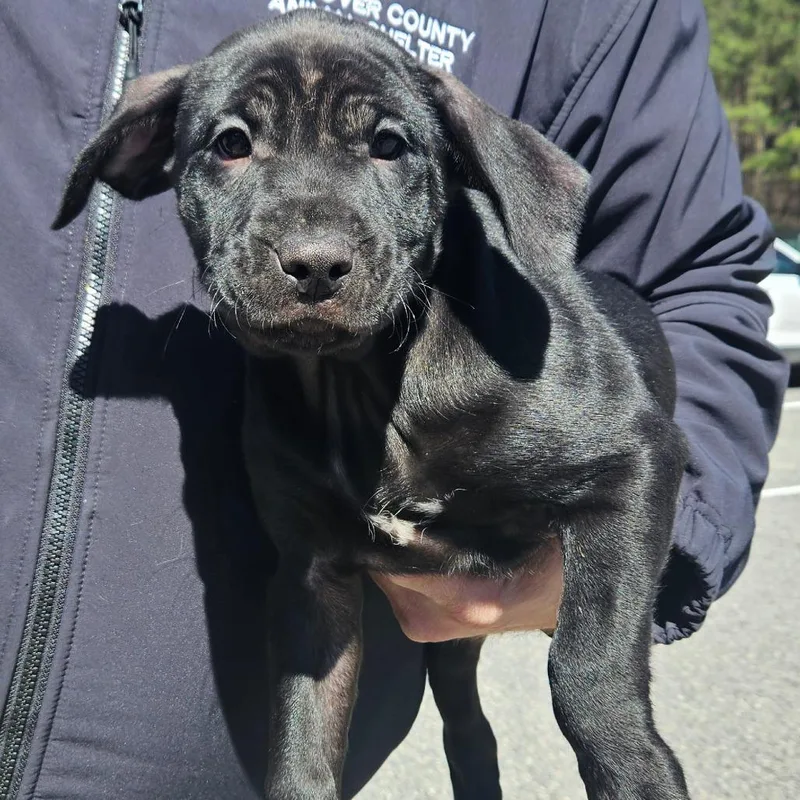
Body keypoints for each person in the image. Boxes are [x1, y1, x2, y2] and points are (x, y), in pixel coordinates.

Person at [0, 0, 788, 797]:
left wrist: (601, 691)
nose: (312, 247)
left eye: (385, 145)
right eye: (235, 145)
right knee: (401, 649)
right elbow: (312, 600)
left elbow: (692, 301)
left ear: (462, 161)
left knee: (486, 673)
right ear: (143, 151)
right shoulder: (281, 414)